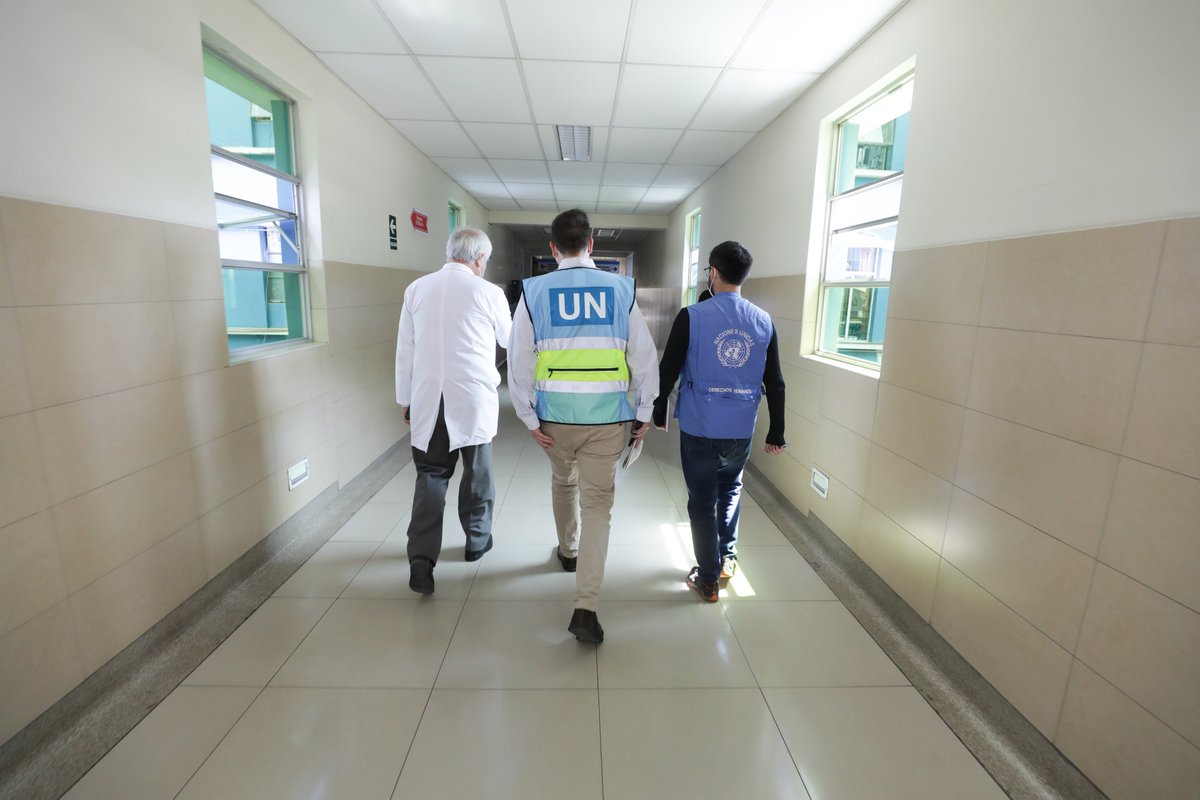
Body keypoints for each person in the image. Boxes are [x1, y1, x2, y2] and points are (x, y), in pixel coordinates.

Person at [508, 209, 659, 643]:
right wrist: (645, 413)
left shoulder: (534, 291)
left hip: (554, 418)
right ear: (591, 245)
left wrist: (528, 417)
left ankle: (568, 552)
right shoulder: (621, 289)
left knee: (563, 482)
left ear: (553, 249)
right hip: (608, 418)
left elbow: (519, 362)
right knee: (598, 505)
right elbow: (643, 359)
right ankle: (586, 607)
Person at [653, 241, 786, 603]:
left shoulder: (692, 315)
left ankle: (708, 577)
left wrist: (655, 408)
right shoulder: (763, 320)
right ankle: (727, 559)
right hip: (741, 426)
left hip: (699, 425)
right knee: (730, 490)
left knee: (701, 501)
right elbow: (775, 381)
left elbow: (668, 370)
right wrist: (777, 431)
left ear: (712, 272)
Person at [395, 227, 512, 595]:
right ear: (479, 259)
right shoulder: (489, 292)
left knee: (430, 476)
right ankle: (476, 542)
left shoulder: (416, 289)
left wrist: (406, 400)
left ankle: (421, 561)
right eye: (486, 261)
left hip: (428, 399)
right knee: (477, 473)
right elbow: (510, 341)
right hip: (472, 397)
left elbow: (405, 351)